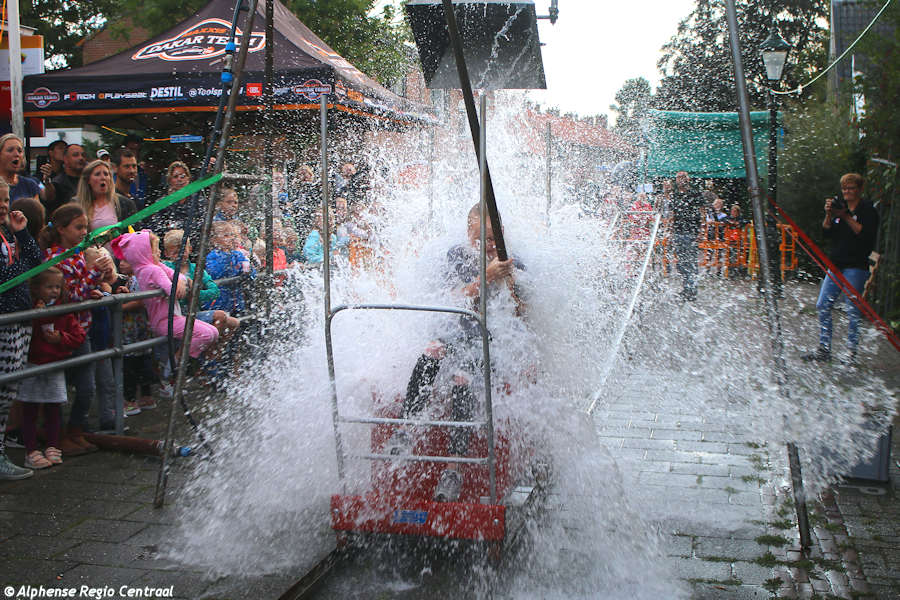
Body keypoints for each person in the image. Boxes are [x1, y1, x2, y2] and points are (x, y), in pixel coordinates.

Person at [397, 203, 524, 502]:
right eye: (480, 238)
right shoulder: (456, 256)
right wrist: (485, 277)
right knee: (433, 349)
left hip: (494, 343)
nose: (487, 245)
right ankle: (404, 429)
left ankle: (453, 469)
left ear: (502, 234)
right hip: (460, 335)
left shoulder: (514, 263)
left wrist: (513, 287)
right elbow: (450, 300)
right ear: (468, 234)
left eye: (492, 239)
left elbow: (522, 317)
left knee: (463, 376)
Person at [39, 203, 114, 453]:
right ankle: (59, 436)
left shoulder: (79, 253)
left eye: (85, 227)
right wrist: (93, 276)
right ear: (61, 229)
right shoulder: (55, 258)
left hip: (81, 329)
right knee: (59, 388)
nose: (84, 232)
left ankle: (76, 430)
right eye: (78, 227)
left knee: (86, 387)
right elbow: (69, 296)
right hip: (61, 331)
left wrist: (95, 283)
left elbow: (81, 289)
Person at [110, 230, 219, 364]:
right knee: (207, 335)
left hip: (171, 317)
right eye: (156, 250)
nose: (159, 252)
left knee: (214, 332)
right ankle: (177, 363)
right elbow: (173, 292)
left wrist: (181, 281)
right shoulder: (152, 269)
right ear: (144, 253)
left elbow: (178, 276)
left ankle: (184, 363)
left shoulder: (151, 267)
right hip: (165, 320)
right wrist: (182, 283)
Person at [803, 173, 879, 363]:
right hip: (835, 265)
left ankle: (851, 352)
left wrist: (845, 216)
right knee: (822, 305)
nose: (847, 192)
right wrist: (830, 214)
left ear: (859, 190)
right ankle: (824, 349)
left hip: (856, 267)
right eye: (844, 188)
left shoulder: (868, 210)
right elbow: (826, 232)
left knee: (852, 309)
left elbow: (865, 235)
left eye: (851, 188)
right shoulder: (840, 207)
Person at [18, 268, 86, 469]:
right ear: (37, 288)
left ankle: (52, 446)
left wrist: (61, 338)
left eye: (57, 287)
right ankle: (31, 451)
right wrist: (35, 314)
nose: (54, 291)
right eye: (49, 287)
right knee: (29, 409)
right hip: (32, 364)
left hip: (54, 365)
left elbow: (79, 336)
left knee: (53, 408)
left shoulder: (62, 310)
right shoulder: (28, 308)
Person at [0, 178, 43, 480]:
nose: (3, 206)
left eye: (6, 200)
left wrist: (23, 233)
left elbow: (36, 261)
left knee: (8, 390)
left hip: (19, 317)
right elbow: (9, 276)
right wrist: (25, 264)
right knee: (2, 390)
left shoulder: (8, 232)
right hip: (3, 319)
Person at [76, 159, 136, 241]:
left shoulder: (125, 204)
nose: (103, 178)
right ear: (88, 180)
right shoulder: (78, 206)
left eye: (106, 174)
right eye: (97, 174)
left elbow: (136, 235)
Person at [669, 171, 705, 301]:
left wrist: (702, 231)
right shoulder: (675, 195)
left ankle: (692, 290)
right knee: (681, 263)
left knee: (691, 262)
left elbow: (702, 211)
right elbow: (672, 213)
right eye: (678, 178)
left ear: (687, 179)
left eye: (682, 178)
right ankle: (686, 289)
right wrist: (671, 230)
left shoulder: (695, 193)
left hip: (692, 232)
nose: (680, 180)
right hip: (679, 231)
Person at [205, 222, 254, 315]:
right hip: (219, 302)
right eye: (226, 235)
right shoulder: (212, 256)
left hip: (236, 300)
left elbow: (248, 267)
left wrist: (247, 271)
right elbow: (216, 273)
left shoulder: (237, 255)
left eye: (232, 235)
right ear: (214, 240)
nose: (231, 238)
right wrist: (228, 260)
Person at [0, 134, 41, 206]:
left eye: (20, 151)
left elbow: (36, 212)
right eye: (10, 150)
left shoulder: (30, 185)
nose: (17, 154)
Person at [48, 144, 86, 215]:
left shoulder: (89, 180)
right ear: (65, 159)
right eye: (75, 155)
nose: (81, 158)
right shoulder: (57, 183)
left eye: (83, 155)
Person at [124, 135, 149, 209]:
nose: (134, 153)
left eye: (138, 150)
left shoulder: (143, 174)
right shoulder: (116, 175)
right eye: (131, 149)